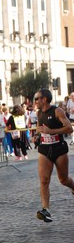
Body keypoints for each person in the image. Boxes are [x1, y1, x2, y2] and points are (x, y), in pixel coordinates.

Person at [33, 88, 74, 223]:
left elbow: (69, 128)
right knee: (44, 180)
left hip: (59, 149)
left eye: (36, 99)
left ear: (44, 99)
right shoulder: (39, 113)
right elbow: (39, 129)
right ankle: (46, 210)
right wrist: (37, 136)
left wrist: (51, 131)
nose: (35, 101)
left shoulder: (57, 111)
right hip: (44, 149)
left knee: (64, 180)